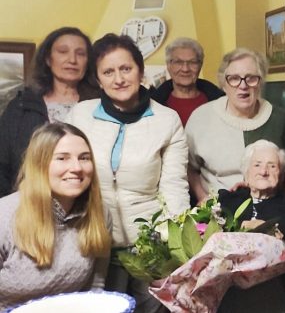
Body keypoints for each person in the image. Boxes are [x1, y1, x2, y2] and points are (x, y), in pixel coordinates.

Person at [68, 33, 189, 313]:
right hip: (92, 241)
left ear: (140, 71)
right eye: (108, 72)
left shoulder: (166, 120)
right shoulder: (80, 116)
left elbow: (174, 186)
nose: (118, 78)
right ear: (98, 79)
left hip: (148, 247)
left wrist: (175, 248)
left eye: (126, 68)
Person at [0, 123, 111, 310]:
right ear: (39, 164)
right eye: (62, 158)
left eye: (84, 158)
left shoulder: (99, 213)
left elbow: (95, 289)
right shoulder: (5, 216)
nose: (77, 167)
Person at [218, 139, 285, 313]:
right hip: (227, 291)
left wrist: (280, 244)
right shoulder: (227, 202)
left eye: (272, 166)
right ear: (246, 171)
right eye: (257, 165)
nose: (264, 172)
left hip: (275, 291)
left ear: (281, 174)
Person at [186, 47, 285, 202]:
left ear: (260, 82)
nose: (243, 85)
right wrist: (203, 199)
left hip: (270, 211)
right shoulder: (201, 118)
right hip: (216, 211)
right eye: (234, 78)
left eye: (251, 78)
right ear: (223, 84)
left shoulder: (281, 121)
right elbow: (189, 168)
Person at [0, 27, 99, 197]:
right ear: (48, 58)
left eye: (80, 54)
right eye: (63, 51)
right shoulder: (22, 106)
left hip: (87, 203)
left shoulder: (99, 106)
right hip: (28, 204)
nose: (72, 60)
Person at [151, 37, 224, 127]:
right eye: (178, 62)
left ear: (200, 65)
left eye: (192, 62)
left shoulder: (221, 101)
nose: (185, 69)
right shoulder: (152, 105)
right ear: (168, 65)